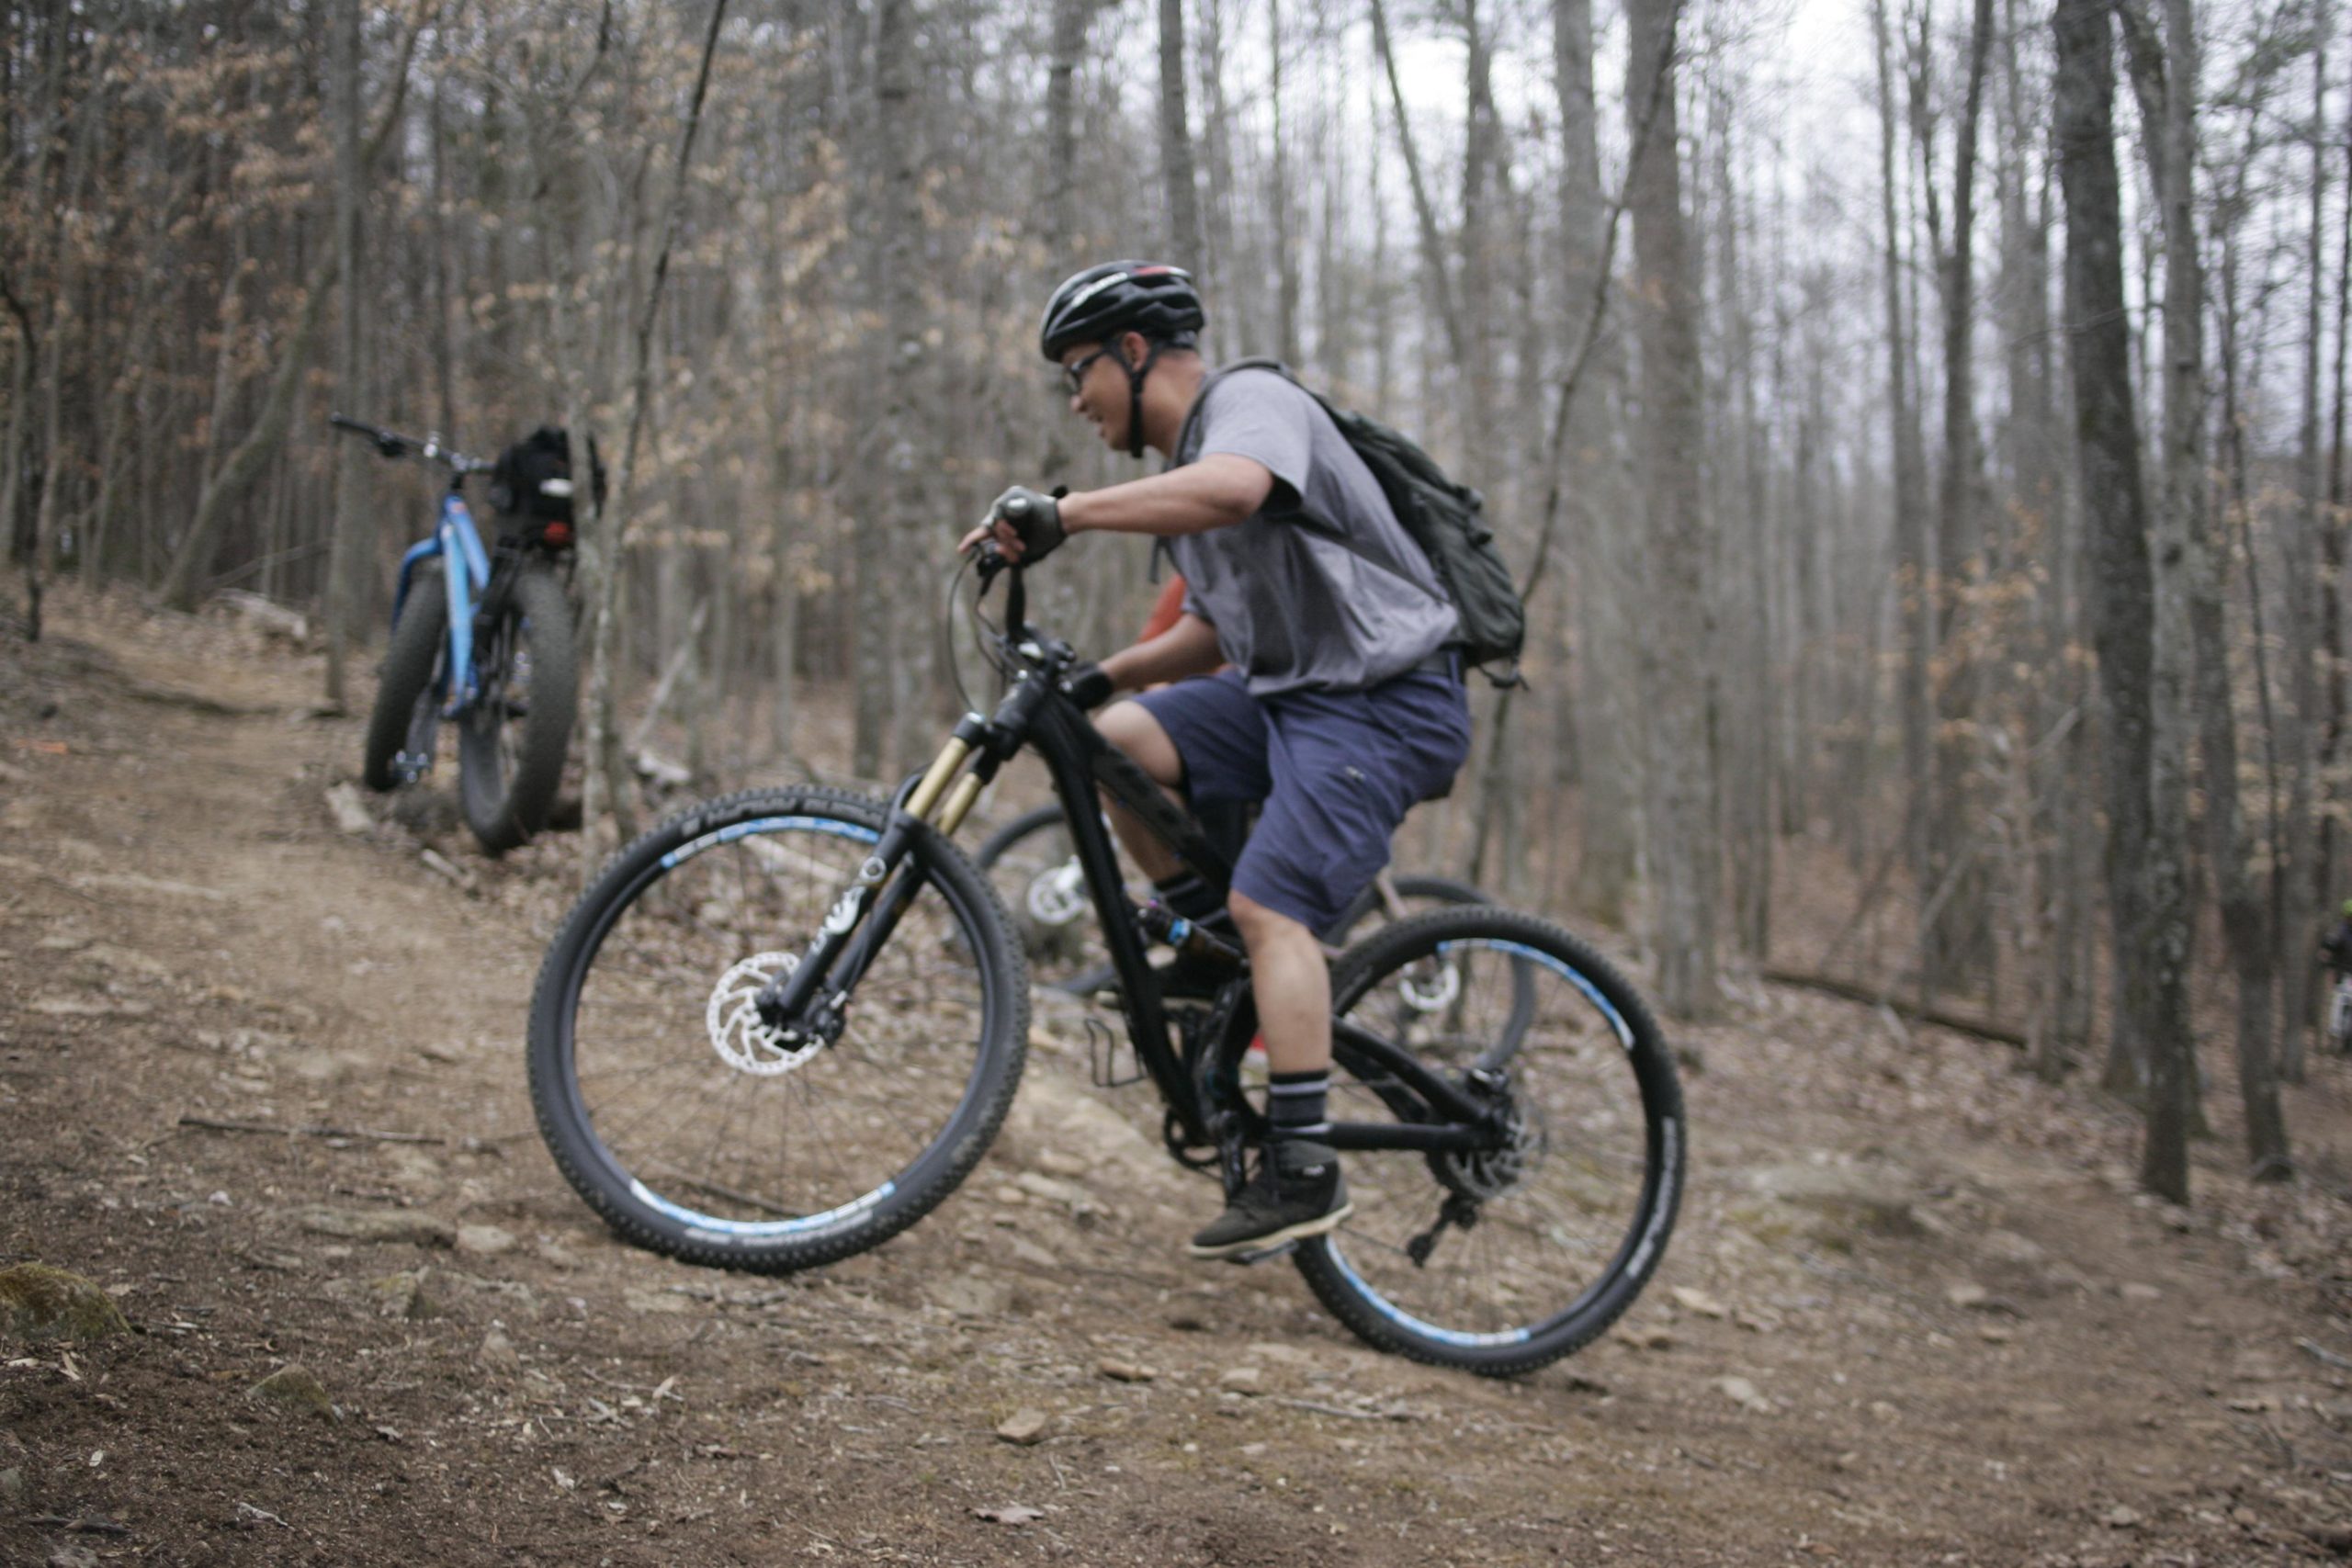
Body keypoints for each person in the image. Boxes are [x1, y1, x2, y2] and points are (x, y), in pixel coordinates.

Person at [960, 261, 1471, 1260]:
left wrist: (1068, 512)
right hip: (1288, 693)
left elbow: (1238, 491)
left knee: (1272, 908)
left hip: (1382, 701)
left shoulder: (1250, 404)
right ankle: (1208, 956)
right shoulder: (1192, 465)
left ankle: (1303, 1167)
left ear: (1135, 352)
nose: (1076, 400)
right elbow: (1210, 634)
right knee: (1119, 743)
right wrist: (1099, 681)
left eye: (1080, 373)